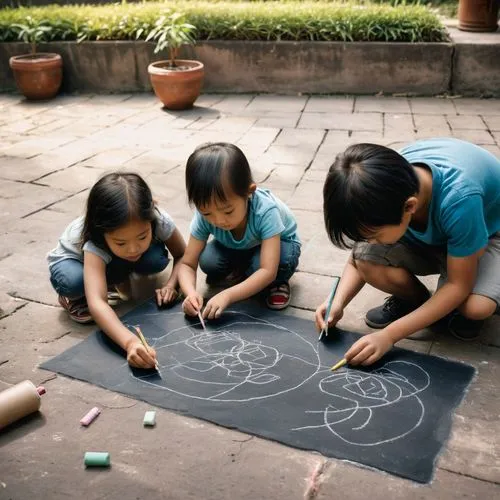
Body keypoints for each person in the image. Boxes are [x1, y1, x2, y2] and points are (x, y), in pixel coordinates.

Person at [315, 138, 500, 366]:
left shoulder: (459, 199)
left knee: (474, 307)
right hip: (444, 231)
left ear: (410, 207)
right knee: (366, 259)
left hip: (488, 232)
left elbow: (458, 285)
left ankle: (456, 303)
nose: (370, 242)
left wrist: (389, 335)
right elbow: (357, 260)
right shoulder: (389, 185)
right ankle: (419, 303)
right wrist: (337, 302)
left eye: (374, 234)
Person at [47, 172, 186, 368]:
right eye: (121, 242)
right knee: (75, 282)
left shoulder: (157, 218)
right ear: (102, 232)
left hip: (110, 260)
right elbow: (97, 304)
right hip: (72, 261)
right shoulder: (95, 240)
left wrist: (172, 285)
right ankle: (73, 296)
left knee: (156, 259)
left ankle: (113, 275)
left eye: (142, 236)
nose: (133, 248)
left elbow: (182, 255)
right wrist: (130, 343)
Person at [179, 142, 301, 319]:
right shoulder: (204, 213)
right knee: (208, 260)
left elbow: (268, 270)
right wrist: (190, 293)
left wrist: (227, 295)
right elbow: (187, 264)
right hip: (241, 247)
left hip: (281, 245)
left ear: (249, 192)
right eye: (207, 213)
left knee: (266, 267)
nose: (219, 220)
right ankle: (246, 270)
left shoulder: (265, 211)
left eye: (228, 211)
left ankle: (278, 283)